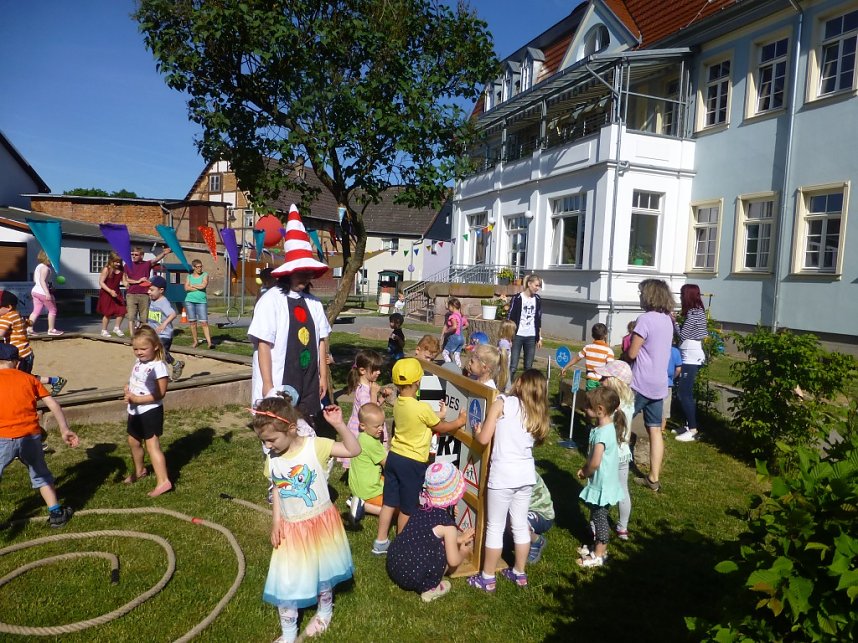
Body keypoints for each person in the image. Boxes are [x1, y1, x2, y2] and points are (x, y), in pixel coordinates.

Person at [249, 397, 359, 642]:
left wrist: (340, 425)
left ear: (290, 428)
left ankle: (324, 611)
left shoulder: (315, 446)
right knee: (286, 582)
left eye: (271, 440)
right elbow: (277, 488)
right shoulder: (273, 459)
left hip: (320, 524)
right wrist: (276, 522)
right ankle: (289, 633)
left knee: (322, 573)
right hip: (290, 528)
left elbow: (353, 450)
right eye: (263, 441)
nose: (267, 446)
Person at [248, 205, 331, 428]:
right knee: (279, 431)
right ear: (289, 272)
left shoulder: (314, 303)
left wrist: (323, 375)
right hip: (279, 377)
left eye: (307, 272)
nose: (304, 277)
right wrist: (267, 383)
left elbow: (322, 340)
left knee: (304, 427)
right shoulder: (271, 300)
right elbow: (263, 343)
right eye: (300, 272)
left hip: (308, 377)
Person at [373, 358, 466, 556]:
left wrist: (438, 414)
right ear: (418, 382)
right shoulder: (422, 408)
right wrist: (458, 421)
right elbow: (439, 427)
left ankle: (380, 541)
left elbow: (421, 419)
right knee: (407, 506)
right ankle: (402, 544)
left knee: (389, 502)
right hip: (412, 462)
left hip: (394, 457)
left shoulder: (398, 403)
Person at [468, 369, 550, 591]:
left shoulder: (502, 402)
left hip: (502, 474)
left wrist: (476, 432)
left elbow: (484, 439)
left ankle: (486, 577)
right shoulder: (537, 412)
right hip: (525, 475)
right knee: (520, 525)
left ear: (520, 382)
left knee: (494, 527)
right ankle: (519, 572)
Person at [0, 343, 79, 527]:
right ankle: (56, 514)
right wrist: (64, 429)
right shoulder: (29, 379)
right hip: (31, 437)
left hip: (2, 438)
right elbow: (53, 405)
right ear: (17, 363)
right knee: (41, 475)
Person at [386, 462, 475, 602]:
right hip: (413, 577)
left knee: (431, 543)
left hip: (394, 564)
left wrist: (459, 539)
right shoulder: (447, 526)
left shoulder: (421, 509)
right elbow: (453, 561)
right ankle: (430, 589)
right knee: (443, 553)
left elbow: (427, 535)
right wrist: (463, 553)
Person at [625, 278, 675, 492]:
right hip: (660, 384)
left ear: (649, 295)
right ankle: (653, 478)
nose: (640, 296)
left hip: (640, 382)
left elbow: (633, 353)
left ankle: (612, 464)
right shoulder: (668, 319)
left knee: (621, 420)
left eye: (641, 293)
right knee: (655, 430)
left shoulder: (645, 319)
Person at [576, 386, 626, 567]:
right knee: (596, 514)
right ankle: (596, 546)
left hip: (602, 484)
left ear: (600, 410)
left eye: (588, 407)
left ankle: (599, 554)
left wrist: (584, 471)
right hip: (603, 482)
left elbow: (595, 462)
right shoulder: (605, 428)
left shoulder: (603, 434)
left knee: (600, 518)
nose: (585, 410)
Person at [123, 326, 172, 497]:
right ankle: (140, 470)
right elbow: (137, 380)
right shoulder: (139, 362)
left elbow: (160, 393)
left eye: (143, 349)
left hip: (150, 410)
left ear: (156, 346)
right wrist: (128, 389)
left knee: (152, 445)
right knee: (133, 441)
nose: (139, 352)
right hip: (135, 409)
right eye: (135, 349)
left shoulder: (158, 366)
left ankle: (163, 481)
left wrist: (138, 399)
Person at [595, 360, 635, 540]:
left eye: (604, 377)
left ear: (613, 381)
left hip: (607, 454)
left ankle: (596, 526)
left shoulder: (608, 404)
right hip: (623, 453)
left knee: (599, 489)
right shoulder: (630, 400)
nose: (600, 379)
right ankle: (623, 527)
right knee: (623, 490)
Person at [0, 290, 67, 396]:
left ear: (8, 307)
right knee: (26, 376)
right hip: (26, 354)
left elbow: (0, 333)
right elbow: (27, 322)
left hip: (18, 356)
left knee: (20, 379)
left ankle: (25, 397)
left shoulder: (6, 317)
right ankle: (55, 380)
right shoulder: (16, 314)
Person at [673, 284, 708, 442]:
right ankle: (688, 425)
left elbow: (683, 335)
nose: (680, 297)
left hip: (691, 357)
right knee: (685, 392)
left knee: (684, 393)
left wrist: (673, 322)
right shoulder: (698, 311)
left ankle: (693, 429)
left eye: (682, 294)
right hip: (690, 354)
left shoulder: (694, 313)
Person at [343, 349, 389, 467]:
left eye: (379, 369)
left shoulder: (367, 386)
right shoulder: (363, 391)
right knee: (363, 457)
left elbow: (374, 406)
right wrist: (374, 394)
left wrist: (382, 397)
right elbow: (371, 411)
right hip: (363, 430)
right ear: (362, 370)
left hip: (365, 427)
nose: (378, 372)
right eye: (375, 370)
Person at [347, 403, 387, 525]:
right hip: (369, 491)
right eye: (377, 426)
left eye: (382, 424)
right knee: (398, 507)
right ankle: (364, 506)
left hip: (358, 487)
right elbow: (388, 464)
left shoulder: (362, 438)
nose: (381, 428)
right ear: (363, 426)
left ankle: (355, 500)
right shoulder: (371, 443)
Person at [146, 276, 184, 382]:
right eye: (148, 289)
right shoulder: (153, 300)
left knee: (160, 354)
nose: (149, 292)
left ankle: (174, 367)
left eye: (152, 290)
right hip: (155, 334)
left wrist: (164, 324)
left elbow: (173, 314)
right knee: (158, 356)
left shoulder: (163, 302)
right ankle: (170, 371)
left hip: (165, 334)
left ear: (161, 290)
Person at [124, 245, 171, 331]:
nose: (133, 256)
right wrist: (138, 281)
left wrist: (164, 253)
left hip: (144, 294)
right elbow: (127, 279)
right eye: (132, 254)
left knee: (144, 318)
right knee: (131, 317)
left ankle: (143, 335)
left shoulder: (146, 264)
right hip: (131, 294)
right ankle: (132, 337)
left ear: (141, 255)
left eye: (136, 255)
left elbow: (156, 259)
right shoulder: (128, 265)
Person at [507, 274, 543, 384]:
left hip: (531, 336)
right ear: (529, 284)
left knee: (528, 366)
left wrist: (540, 337)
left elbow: (538, 319)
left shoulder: (537, 299)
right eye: (536, 285)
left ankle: (525, 388)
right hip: (517, 335)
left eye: (539, 286)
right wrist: (509, 337)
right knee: (513, 365)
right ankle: (508, 386)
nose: (538, 288)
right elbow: (510, 318)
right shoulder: (517, 298)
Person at [562, 322, 614, 389]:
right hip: (603, 381)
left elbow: (577, 358)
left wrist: (565, 367)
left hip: (590, 380)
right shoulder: (608, 351)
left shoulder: (587, 348)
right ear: (606, 335)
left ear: (592, 335)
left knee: (590, 398)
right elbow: (611, 367)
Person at [28, 250, 63, 336]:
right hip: (42, 292)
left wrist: (49, 287)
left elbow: (36, 280)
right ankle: (51, 330)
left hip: (35, 291)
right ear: (47, 258)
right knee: (53, 310)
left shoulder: (38, 266)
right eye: (51, 258)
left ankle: (29, 328)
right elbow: (42, 281)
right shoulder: (45, 268)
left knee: (36, 311)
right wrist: (47, 293)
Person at [524, 472, 555, 563]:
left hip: (541, 513)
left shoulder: (522, 470)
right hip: (522, 508)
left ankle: (536, 540)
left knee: (517, 523)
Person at [96, 251, 127, 337]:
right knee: (108, 313)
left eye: (119, 262)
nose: (117, 264)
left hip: (116, 292)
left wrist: (126, 284)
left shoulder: (121, 270)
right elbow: (101, 282)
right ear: (111, 261)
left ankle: (116, 328)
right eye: (116, 262)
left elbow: (124, 280)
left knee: (122, 310)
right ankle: (104, 330)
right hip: (107, 293)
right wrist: (110, 291)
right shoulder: (107, 269)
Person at [184, 259, 213, 349]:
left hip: (201, 301)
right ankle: (195, 341)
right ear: (193, 267)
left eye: (201, 266)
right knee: (192, 322)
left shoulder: (205, 275)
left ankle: (209, 342)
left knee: (204, 322)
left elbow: (203, 285)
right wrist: (198, 286)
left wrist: (192, 286)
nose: (200, 268)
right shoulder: (189, 276)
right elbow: (186, 288)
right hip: (190, 301)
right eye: (198, 267)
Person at [663, 341, 682, 436]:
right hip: (667, 382)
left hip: (654, 380)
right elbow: (678, 369)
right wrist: (672, 378)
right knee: (665, 408)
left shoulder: (657, 348)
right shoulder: (675, 351)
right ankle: (662, 429)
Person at [441, 298, 465, 367]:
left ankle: (449, 366)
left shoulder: (453, 316)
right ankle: (459, 366)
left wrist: (446, 331)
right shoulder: (460, 316)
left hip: (455, 338)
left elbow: (454, 327)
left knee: (445, 353)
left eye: (449, 307)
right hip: (461, 339)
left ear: (452, 306)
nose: (448, 308)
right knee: (456, 354)